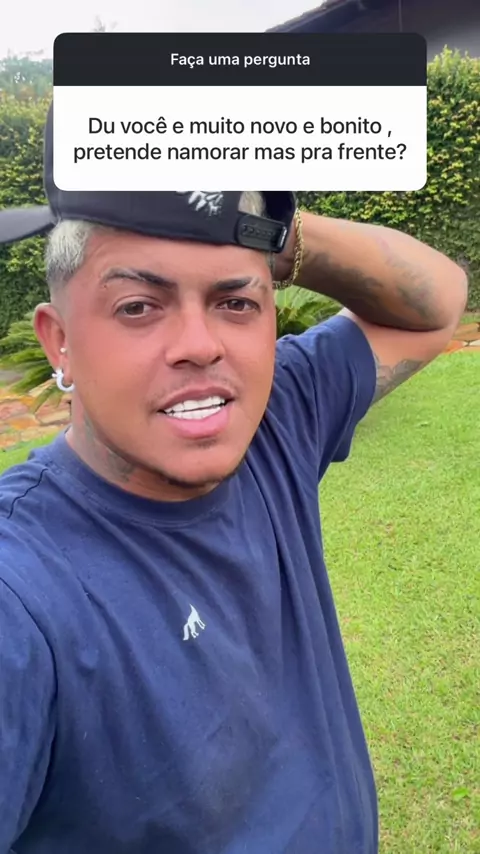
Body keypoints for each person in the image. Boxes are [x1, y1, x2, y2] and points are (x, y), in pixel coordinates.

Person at [0, 106, 468, 854]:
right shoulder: (22, 587)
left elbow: (437, 301)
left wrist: (270, 229)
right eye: (139, 306)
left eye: (235, 302)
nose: (199, 344)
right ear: (60, 342)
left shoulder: (279, 424)